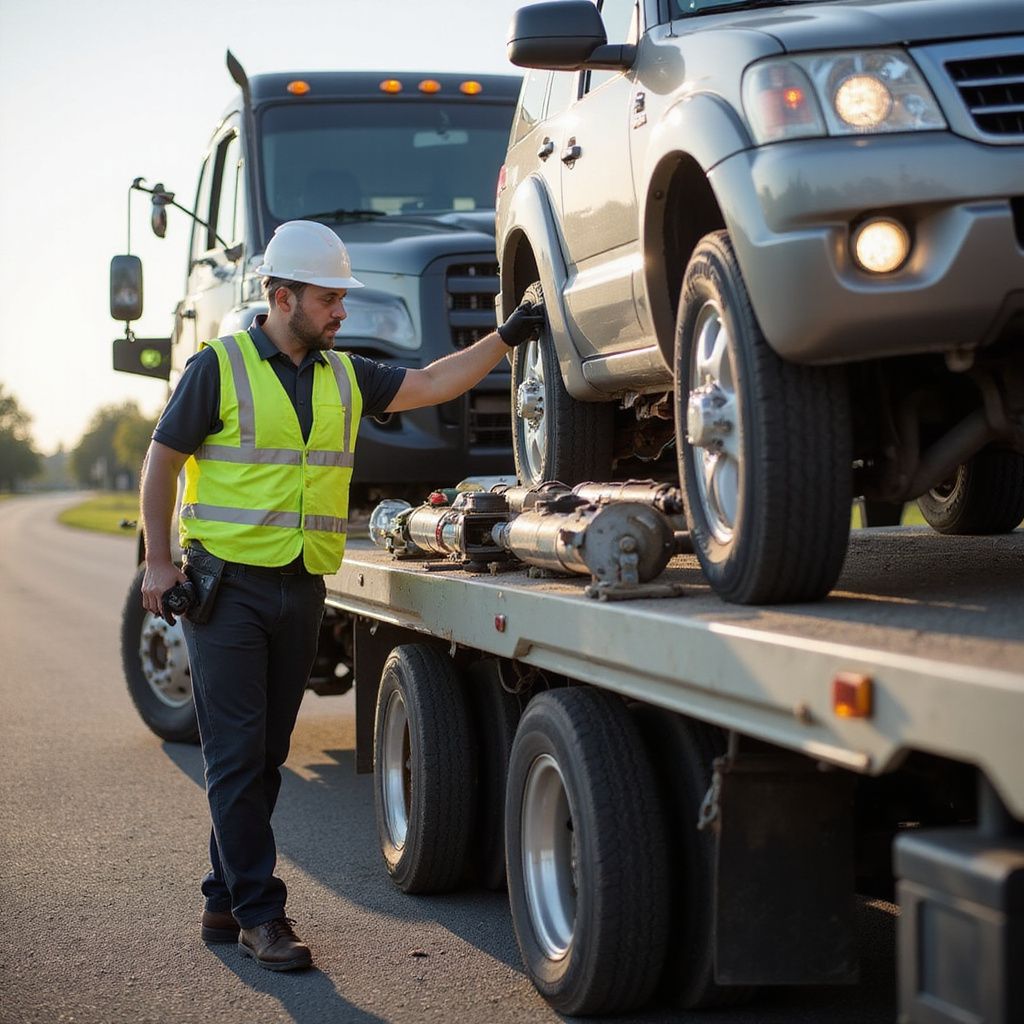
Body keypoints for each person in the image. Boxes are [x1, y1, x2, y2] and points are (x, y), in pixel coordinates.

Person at [139, 220, 544, 972]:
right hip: (224, 590)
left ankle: (222, 897)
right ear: (282, 296)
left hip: (300, 586)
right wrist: (157, 563)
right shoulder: (218, 367)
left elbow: (432, 382)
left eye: (341, 300)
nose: (341, 312)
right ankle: (262, 915)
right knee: (233, 757)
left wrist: (506, 337)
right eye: (329, 299)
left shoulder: (343, 375)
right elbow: (161, 461)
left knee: (263, 755)